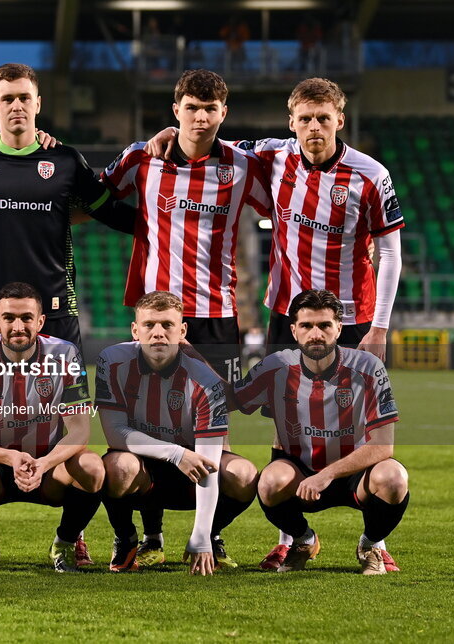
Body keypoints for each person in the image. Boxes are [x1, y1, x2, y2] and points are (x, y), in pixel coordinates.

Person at [146, 78, 404, 568]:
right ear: (291, 123)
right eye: (304, 118)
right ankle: (292, 533)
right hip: (287, 313)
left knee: (355, 418)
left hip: (351, 317)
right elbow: (206, 138)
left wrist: (380, 328)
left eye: (323, 118)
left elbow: (389, 250)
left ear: (339, 121)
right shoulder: (273, 156)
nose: (313, 127)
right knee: (285, 418)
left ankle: (376, 541)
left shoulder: (370, 175)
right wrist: (163, 133)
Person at [102, 69, 270, 563]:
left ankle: (208, 534)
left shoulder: (242, 165)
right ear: (175, 110)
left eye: (210, 108)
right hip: (157, 315)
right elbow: (95, 194)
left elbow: (287, 185)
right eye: (191, 107)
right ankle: (149, 534)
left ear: (223, 113)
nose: (200, 116)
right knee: (146, 416)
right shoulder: (142, 157)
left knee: (215, 423)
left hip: (217, 315)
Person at [0, 63, 133, 350]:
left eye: (24, 98)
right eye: (7, 99)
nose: (17, 106)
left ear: (37, 103)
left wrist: (168, 224)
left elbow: (110, 211)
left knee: (66, 397)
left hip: (56, 310)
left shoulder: (65, 161)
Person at [231, 289, 408, 574]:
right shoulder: (275, 365)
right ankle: (303, 540)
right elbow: (229, 398)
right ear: (294, 330)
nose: (316, 334)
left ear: (339, 328)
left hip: (356, 476)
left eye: (324, 325)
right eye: (306, 326)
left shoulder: (368, 367)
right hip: (300, 474)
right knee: (268, 481)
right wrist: (188, 356)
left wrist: (325, 476)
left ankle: (371, 544)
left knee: (394, 477)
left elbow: (383, 447)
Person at [97, 291, 256, 574]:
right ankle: (127, 539)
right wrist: (176, 453)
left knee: (243, 474)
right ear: (135, 330)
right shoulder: (112, 361)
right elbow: (115, 433)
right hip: (143, 470)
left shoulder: (207, 380)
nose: (158, 333)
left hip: (191, 476)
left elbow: (208, 462)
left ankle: (213, 535)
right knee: (115, 467)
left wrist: (202, 535)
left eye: (167, 325)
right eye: (149, 325)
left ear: (182, 330)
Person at [0, 282, 103, 573]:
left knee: (92, 466)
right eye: (8, 318)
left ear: (40, 321)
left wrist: (44, 463)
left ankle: (65, 543)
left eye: (26, 318)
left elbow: (81, 431)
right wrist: (10, 458)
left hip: (50, 469)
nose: (17, 326)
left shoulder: (66, 354)